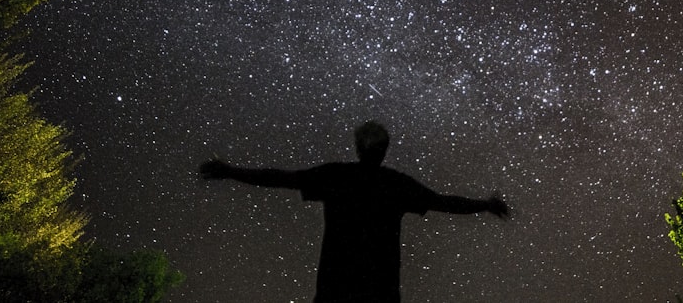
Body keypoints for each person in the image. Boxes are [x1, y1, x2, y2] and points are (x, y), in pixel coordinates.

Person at [199, 120, 509, 303]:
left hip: (336, 290)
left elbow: (280, 178)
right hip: (381, 293)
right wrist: (485, 205)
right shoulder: (396, 185)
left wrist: (231, 171)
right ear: (385, 150)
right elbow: (446, 202)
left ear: (357, 148)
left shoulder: (337, 177)